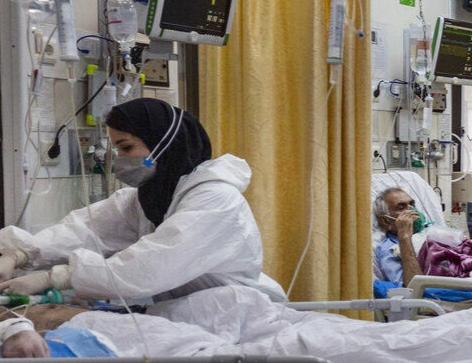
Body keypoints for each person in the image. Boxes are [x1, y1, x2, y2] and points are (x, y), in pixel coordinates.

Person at [0, 98, 285, 302]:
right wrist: (18, 254)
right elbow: (85, 230)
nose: (119, 160)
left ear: (164, 144)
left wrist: (55, 277)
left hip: (236, 313)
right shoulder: (147, 200)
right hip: (190, 314)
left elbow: (150, 265)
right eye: (117, 149)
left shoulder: (215, 200)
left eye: (126, 147)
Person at [0, 285, 472, 363]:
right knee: (298, 349)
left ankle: (462, 332)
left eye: (126, 147)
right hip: (131, 349)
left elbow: (141, 265)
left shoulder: (200, 194)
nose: (122, 160)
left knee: (308, 337)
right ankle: (465, 337)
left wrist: (17, 320)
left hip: (127, 329)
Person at [373, 187, 423, 295]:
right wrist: (405, 238)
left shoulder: (430, 233)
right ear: (386, 221)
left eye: (412, 205)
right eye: (401, 208)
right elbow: (413, 290)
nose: (412, 211)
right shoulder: (389, 249)